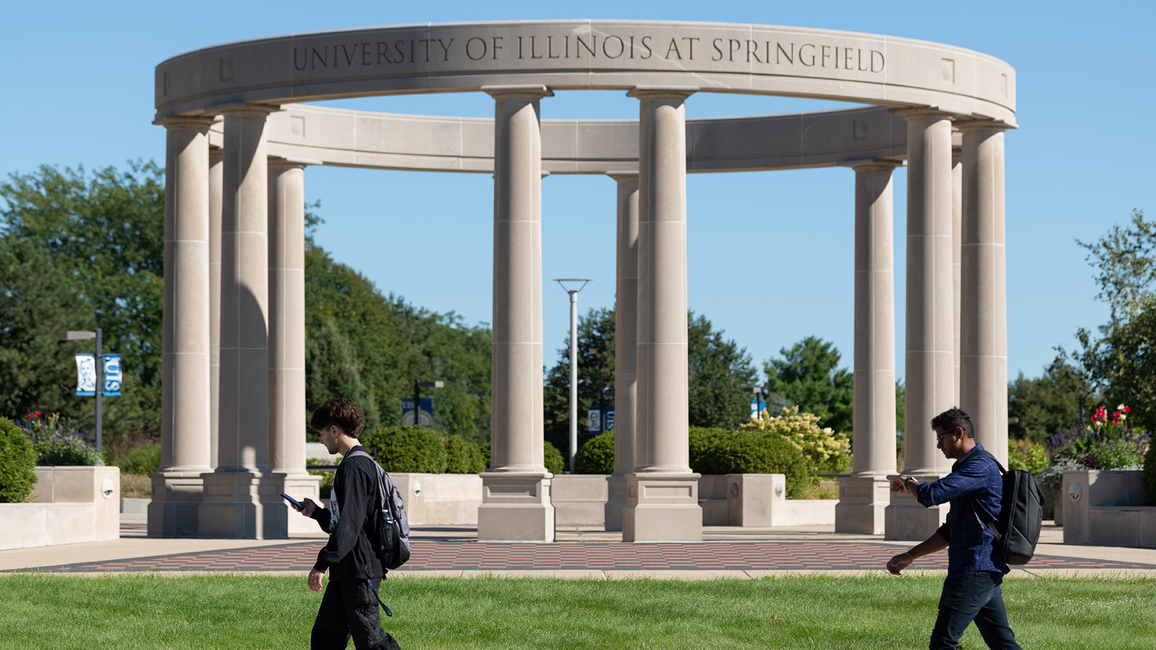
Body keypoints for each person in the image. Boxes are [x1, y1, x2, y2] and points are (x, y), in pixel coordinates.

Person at [886, 407, 1021, 650]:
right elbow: (951, 530)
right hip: (979, 569)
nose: (939, 445)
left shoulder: (979, 467)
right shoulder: (967, 468)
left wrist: (908, 482)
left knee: (943, 643)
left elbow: (932, 495)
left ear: (958, 433)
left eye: (941, 438)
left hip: (974, 569)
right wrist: (910, 555)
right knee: (1004, 645)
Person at [291, 398, 401, 650]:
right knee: (325, 638)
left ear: (334, 430)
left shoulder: (354, 466)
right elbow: (349, 522)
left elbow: (349, 526)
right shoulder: (357, 463)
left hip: (359, 572)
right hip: (347, 570)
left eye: (321, 433)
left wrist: (321, 563)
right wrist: (317, 513)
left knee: (372, 642)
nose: (320, 440)